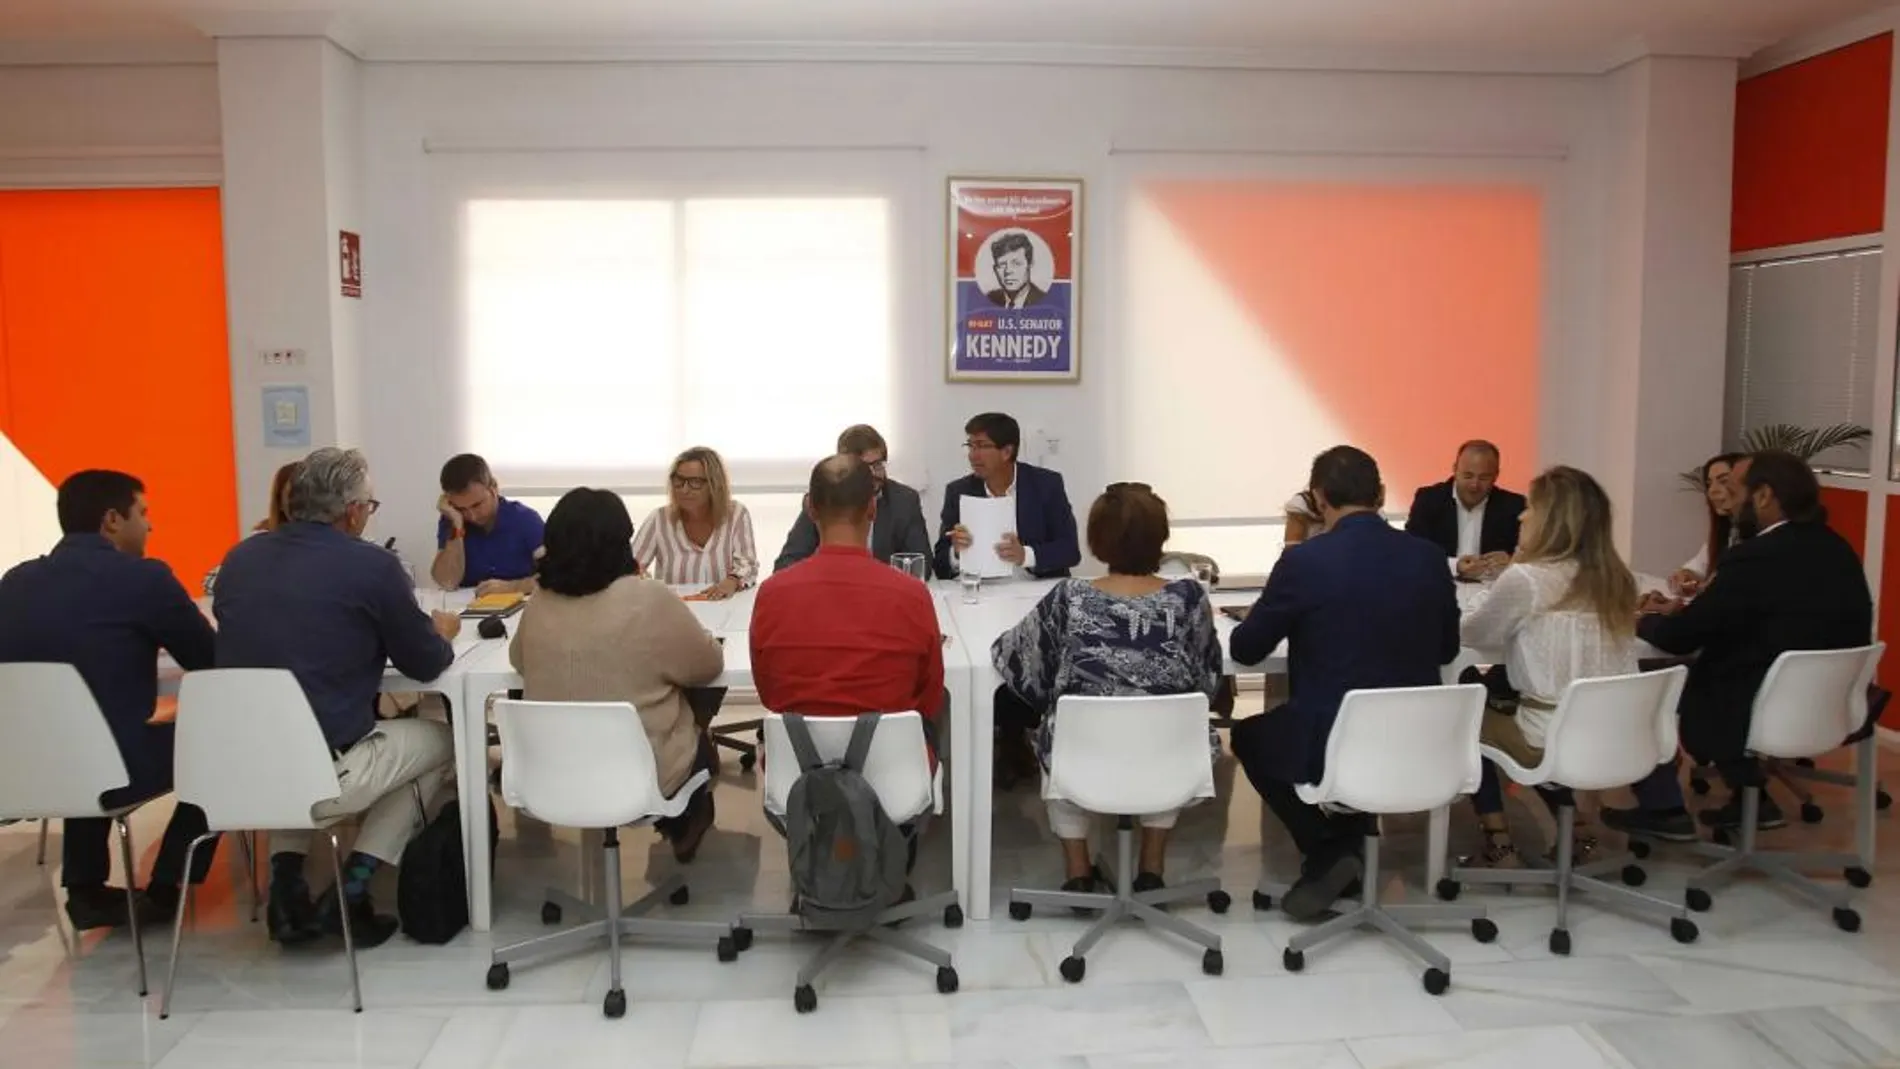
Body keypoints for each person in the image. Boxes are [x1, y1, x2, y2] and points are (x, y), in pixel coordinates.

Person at [214, 447, 462, 948]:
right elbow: (426, 663)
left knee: (287, 740)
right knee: (442, 742)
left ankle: (287, 891)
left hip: (237, 769)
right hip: (325, 773)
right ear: (352, 511)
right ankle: (353, 888)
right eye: (371, 507)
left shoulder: (239, 559)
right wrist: (443, 631)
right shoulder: (371, 566)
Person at [1229, 446, 1461, 920]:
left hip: (1330, 742)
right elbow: (1447, 651)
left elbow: (1246, 651)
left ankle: (1329, 849)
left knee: (1250, 737)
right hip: (1421, 741)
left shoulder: (1305, 563)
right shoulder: (1429, 558)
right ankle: (1346, 848)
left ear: (1317, 498)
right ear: (1379, 494)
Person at [1605, 451, 1874, 840]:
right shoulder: (1836, 548)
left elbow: (1683, 637)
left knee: (1646, 685)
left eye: (1733, 488)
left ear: (1763, 496)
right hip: (1830, 706)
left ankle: (1663, 808)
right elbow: (1764, 613)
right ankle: (1751, 798)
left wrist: (1636, 620)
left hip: (1756, 703)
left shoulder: (1754, 557)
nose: (1726, 499)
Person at [0, 471, 221, 930]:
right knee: (226, 745)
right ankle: (166, 887)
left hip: (28, 767)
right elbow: (210, 660)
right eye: (144, 514)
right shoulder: (143, 579)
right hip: (112, 769)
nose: (150, 527)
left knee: (86, 729)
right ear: (112, 520)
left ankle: (86, 890)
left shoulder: (15, 583)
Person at [991, 483, 1223, 893]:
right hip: (1168, 757)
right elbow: (1208, 677)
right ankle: (1151, 869)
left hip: (1084, 757)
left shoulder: (1070, 596)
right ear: (1160, 538)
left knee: (1061, 728)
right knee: (1169, 726)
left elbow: (1016, 659)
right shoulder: (1188, 598)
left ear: (1097, 539)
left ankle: (1078, 874)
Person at [510, 488, 725, 862]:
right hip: (642, 778)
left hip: (551, 777)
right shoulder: (649, 598)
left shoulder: (540, 601)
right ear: (620, 542)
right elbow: (708, 665)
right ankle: (684, 816)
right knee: (695, 698)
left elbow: (519, 660)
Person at [1457, 466, 1640, 868]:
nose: (1521, 517)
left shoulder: (1527, 579)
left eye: (1530, 509)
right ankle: (1579, 832)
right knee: (1507, 694)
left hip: (1548, 735)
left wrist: (1515, 565)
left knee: (1465, 709)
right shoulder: (1618, 579)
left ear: (1552, 520)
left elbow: (1472, 634)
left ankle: (1500, 842)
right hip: (1621, 734)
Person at [752, 455, 945, 748]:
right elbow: (929, 694)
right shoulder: (911, 594)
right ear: (872, 508)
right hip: (893, 773)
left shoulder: (771, 593)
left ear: (810, 509)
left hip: (798, 773)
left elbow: (768, 691)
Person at [933, 412, 1080, 581]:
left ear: (1007, 452)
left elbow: (1070, 550)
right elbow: (939, 563)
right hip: (982, 591)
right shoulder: (959, 491)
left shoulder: (1046, 485)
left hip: (1036, 590)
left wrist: (1025, 555)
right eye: (970, 446)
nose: (973, 455)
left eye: (981, 446)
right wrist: (956, 553)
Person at [773, 424, 930, 572]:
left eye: (878, 465)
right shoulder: (824, 499)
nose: (874, 474)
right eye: (865, 468)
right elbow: (786, 564)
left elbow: (922, 565)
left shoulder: (904, 500)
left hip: (883, 593)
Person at [632, 446, 758, 600]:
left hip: (723, 608)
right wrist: (647, 584)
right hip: (677, 610)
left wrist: (733, 581)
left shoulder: (736, 514)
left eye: (695, 482)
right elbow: (630, 568)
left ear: (714, 485)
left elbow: (748, 565)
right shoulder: (659, 519)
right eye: (679, 481)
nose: (684, 490)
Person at [1405, 440, 1527, 581]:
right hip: (1440, 588)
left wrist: (1512, 561)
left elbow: (1535, 559)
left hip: (1493, 593)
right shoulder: (1429, 500)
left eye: (1484, 478)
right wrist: (1454, 566)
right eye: (1468, 476)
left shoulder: (1514, 506)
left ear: (1496, 475)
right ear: (1455, 469)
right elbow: (1412, 552)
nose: (1474, 485)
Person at [432, 453, 545, 595]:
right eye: (461, 509)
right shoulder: (452, 520)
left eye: (477, 505)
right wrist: (457, 525)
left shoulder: (525, 519)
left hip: (517, 610)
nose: (472, 516)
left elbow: (559, 575)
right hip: (466, 610)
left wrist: (514, 587)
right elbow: (447, 582)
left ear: (494, 488)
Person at [203, 460, 302, 595]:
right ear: (280, 502)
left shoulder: (333, 542)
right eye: (296, 495)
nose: (306, 504)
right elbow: (211, 582)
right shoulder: (262, 541)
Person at [1668, 452, 1742, 598]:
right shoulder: (1728, 531)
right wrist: (1685, 576)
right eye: (1709, 484)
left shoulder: (1764, 539)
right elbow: (1697, 568)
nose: (1712, 491)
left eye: (1723, 481)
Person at [984, 232, 1049, 309]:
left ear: (1030, 264)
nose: (1008, 271)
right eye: (1002, 265)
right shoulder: (989, 299)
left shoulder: (1045, 301)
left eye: (1016, 263)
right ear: (995, 269)